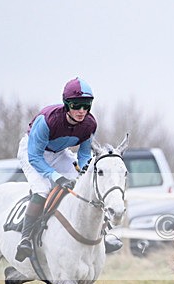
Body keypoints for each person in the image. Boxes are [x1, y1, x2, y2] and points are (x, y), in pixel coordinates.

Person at [15, 77, 121, 261]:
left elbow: (85, 155)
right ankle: (25, 238)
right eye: (76, 105)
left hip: (60, 153)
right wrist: (56, 176)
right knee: (42, 189)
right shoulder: (47, 121)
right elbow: (35, 157)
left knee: (85, 187)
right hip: (32, 152)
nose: (81, 111)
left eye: (86, 105)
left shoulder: (90, 124)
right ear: (67, 104)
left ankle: (102, 234)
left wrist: (84, 171)